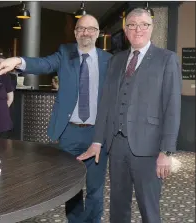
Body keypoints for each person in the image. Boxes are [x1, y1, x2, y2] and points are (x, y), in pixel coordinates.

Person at [0, 15, 112, 223]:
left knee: (95, 188)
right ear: (75, 33)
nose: (86, 33)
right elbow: (43, 64)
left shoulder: (108, 60)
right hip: (69, 132)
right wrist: (17, 61)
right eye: (81, 29)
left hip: (97, 133)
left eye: (91, 29)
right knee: (71, 186)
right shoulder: (64, 54)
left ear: (98, 33)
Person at [77, 8, 182, 223]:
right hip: (117, 147)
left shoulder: (166, 59)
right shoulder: (116, 60)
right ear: (125, 30)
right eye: (132, 24)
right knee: (118, 207)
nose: (138, 29)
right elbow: (106, 102)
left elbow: (172, 107)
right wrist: (97, 141)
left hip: (150, 148)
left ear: (151, 28)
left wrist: (166, 151)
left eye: (144, 24)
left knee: (149, 211)